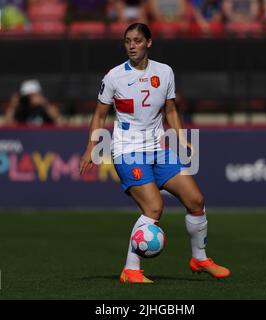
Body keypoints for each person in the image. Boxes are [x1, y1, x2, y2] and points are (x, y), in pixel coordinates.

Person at [79, 23, 230, 283]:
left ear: (149, 42)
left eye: (137, 41)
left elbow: (170, 110)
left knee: (196, 200)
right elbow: (99, 114)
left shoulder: (165, 72)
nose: (131, 46)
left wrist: (181, 137)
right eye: (127, 41)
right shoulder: (114, 76)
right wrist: (91, 147)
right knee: (154, 207)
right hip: (127, 150)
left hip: (158, 149)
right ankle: (131, 269)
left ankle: (200, 258)